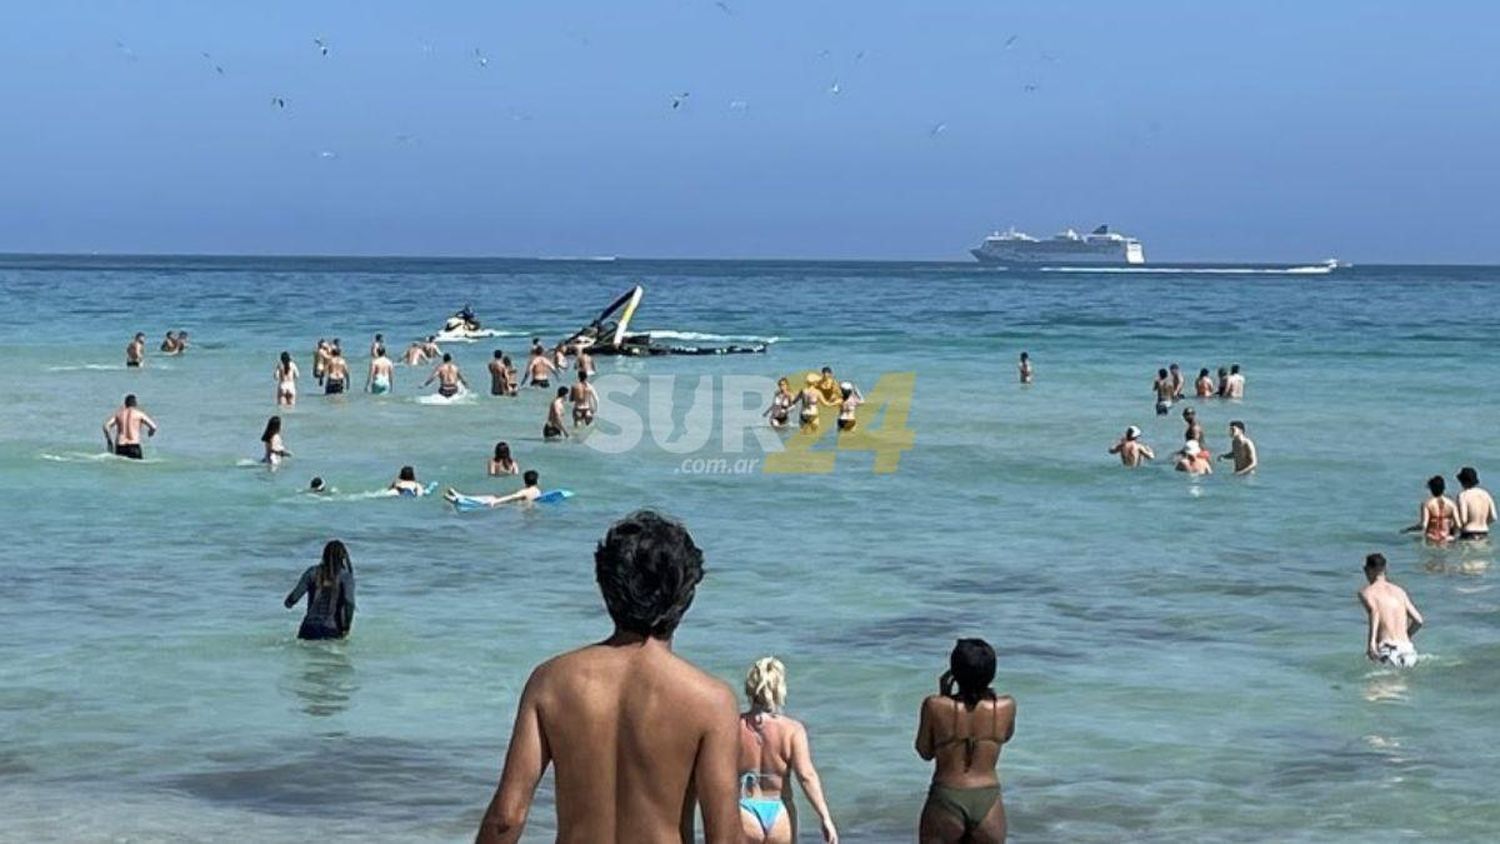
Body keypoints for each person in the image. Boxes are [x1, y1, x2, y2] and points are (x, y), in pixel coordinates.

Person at [473, 511, 739, 844]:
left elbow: (507, 817)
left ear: (606, 587)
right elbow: (725, 838)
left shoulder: (550, 682)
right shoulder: (711, 701)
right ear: (686, 594)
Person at [916, 639, 1016, 844]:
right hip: (988, 798)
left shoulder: (934, 705)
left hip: (946, 797)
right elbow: (1005, 736)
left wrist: (944, 698)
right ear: (991, 673)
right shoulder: (1006, 707)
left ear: (954, 673)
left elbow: (925, 752)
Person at [736, 657, 839, 844]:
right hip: (779, 810)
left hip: (744, 809)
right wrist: (825, 817)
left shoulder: (734, 726)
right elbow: (806, 776)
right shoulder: (792, 730)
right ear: (779, 689)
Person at [1359, 553, 1424, 668]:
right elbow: (1418, 621)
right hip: (1408, 649)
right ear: (1385, 569)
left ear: (1367, 569)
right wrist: (1406, 635)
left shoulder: (1367, 592)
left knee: (1376, 685)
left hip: (1388, 650)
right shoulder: (1399, 591)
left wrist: (1372, 643)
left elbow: (1375, 612)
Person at [283, 540, 356, 640]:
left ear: (324, 554)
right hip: (331, 629)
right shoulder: (345, 577)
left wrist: (288, 603)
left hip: (308, 629)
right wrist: (346, 627)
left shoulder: (312, 572)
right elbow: (349, 603)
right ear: (343, 557)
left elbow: (294, 597)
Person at [1404, 475, 1459, 545]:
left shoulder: (1427, 504)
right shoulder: (1452, 504)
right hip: (1447, 539)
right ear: (1444, 488)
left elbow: (1423, 525)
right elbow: (1458, 525)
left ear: (1431, 489)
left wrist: (1408, 530)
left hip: (1431, 539)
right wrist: (1453, 536)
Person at [445, 469, 542, 509]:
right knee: (490, 498)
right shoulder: (537, 492)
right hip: (515, 506)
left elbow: (513, 496)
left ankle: (459, 499)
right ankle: (459, 497)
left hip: (505, 506)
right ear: (537, 481)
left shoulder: (525, 491)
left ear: (525, 481)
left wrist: (496, 501)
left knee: (490, 499)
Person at [103, 394, 158, 459]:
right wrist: (150, 433)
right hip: (134, 446)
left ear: (125, 404)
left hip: (120, 446)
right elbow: (154, 427)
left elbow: (106, 426)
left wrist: (109, 440)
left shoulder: (119, 414)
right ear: (135, 403)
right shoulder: (139, 414)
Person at [1455, 467, 1496, 541]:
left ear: (1463, 481)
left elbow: (1463, 519)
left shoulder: (1463, 495)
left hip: (1469, 535)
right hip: (1484, 534)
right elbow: (1493, 517)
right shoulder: (1486, 494)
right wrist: (1482, 523)